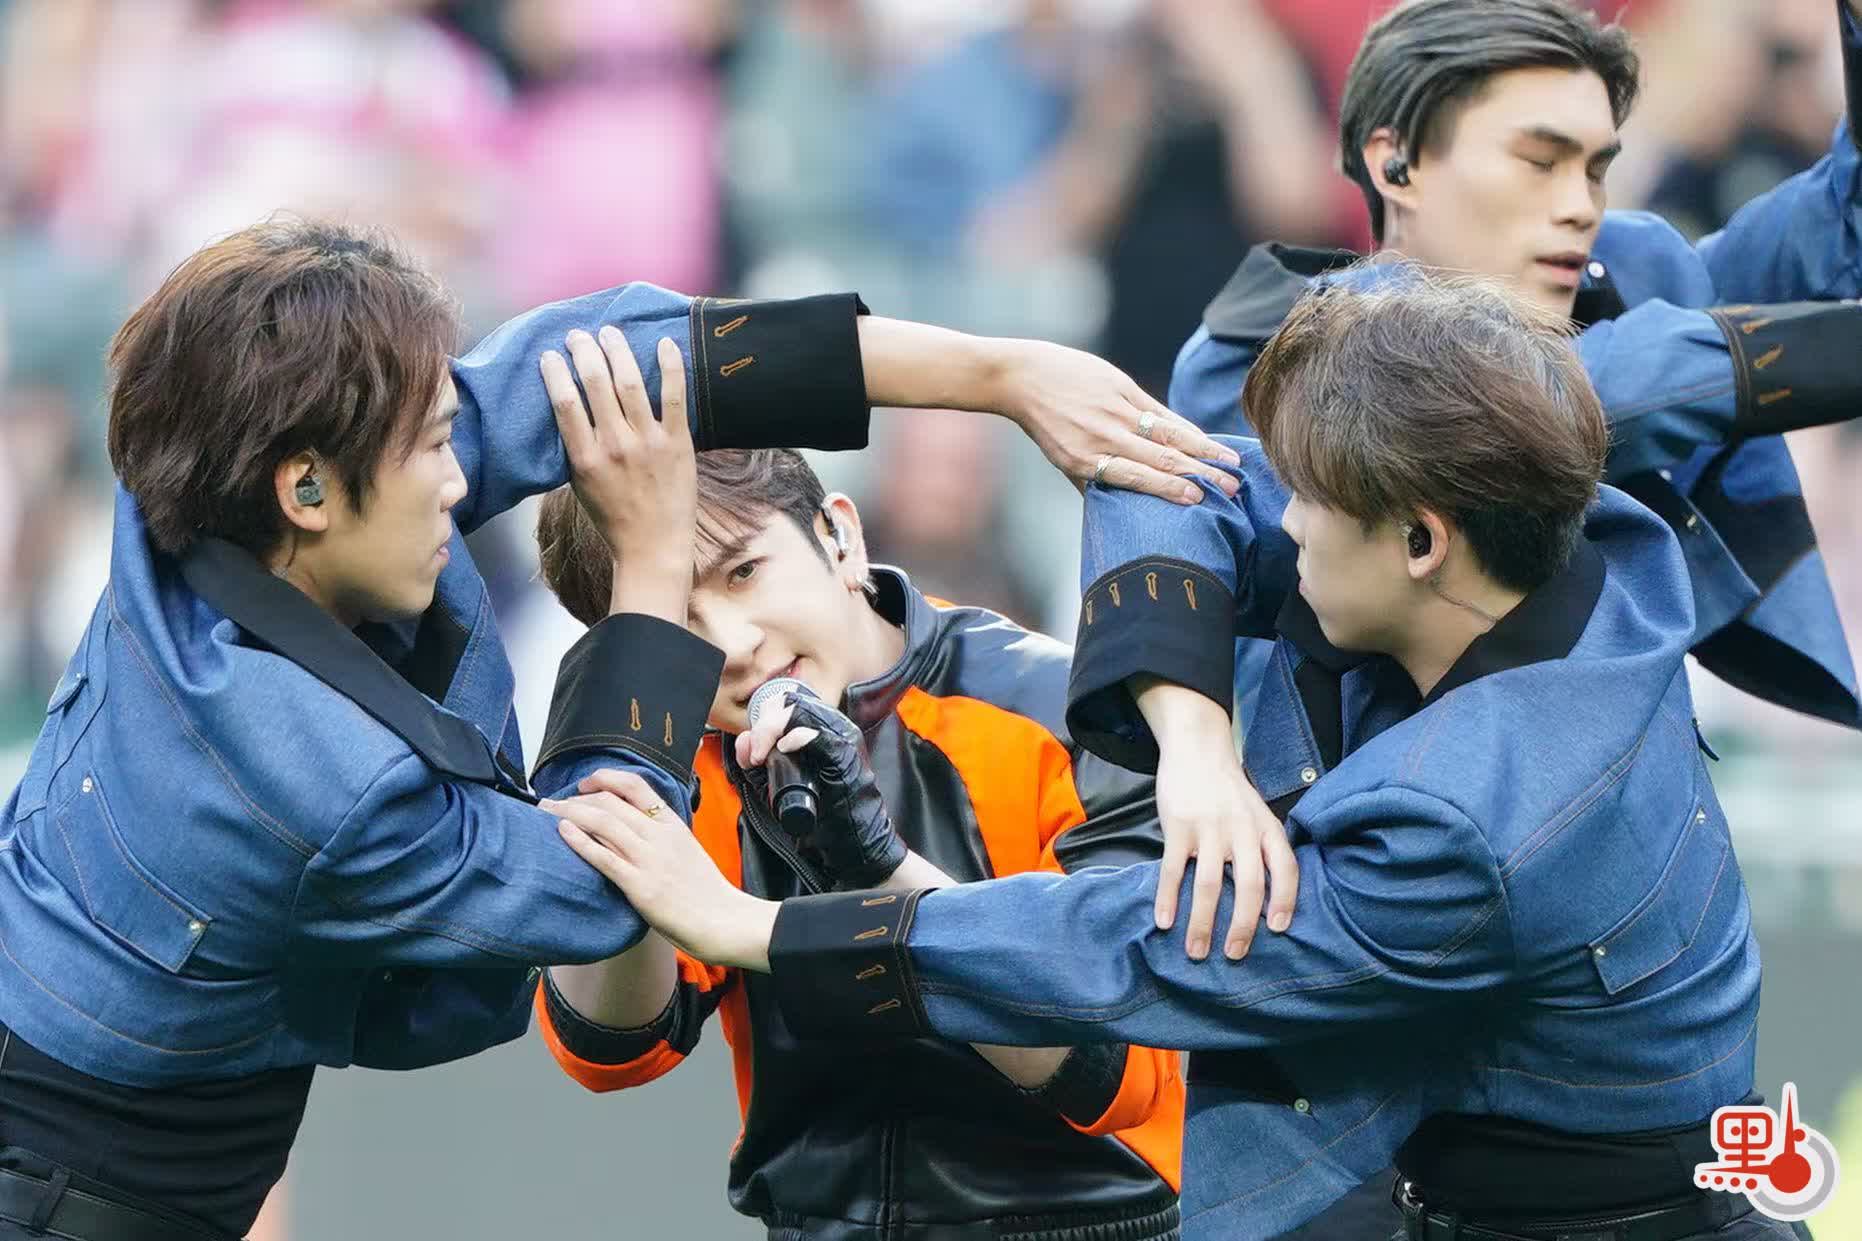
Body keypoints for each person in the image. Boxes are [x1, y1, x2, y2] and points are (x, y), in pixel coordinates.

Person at [0, 216, 1234, 1241]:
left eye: (743, 571)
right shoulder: (311, 773)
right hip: (73, 1188)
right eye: (432, 446)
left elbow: (597, 361)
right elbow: (598, 962)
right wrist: (644, 564)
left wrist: (1000, 377)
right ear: (308, 489)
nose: (461, 476)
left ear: (841, 533)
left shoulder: (202, 500)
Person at [550, 271, 1801, 1241]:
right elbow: (1167, 481)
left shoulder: (1458, 820)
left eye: (739, 574)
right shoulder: (1572, 540)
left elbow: (1119, 1000)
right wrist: (1194, 740)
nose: (1275, 516)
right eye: (670, 613)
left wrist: (787, 910)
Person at [528, 445, 1186, 1240]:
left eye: (743, 572)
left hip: (1093, 1220)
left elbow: (1117, 1073)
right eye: (675, 621)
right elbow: (608, 1049)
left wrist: (882, 867)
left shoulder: (1073, 710)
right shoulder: (689, 755)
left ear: (839, 536)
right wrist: (624, 775)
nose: (732, 644)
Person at [1164, 0, 1862, 735]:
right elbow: (1539, 393)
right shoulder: (1259, 353)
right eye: (1540, 162)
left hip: (1623, 786)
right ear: (1395, 163)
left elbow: (1835, 223)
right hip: (1370, 797)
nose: (1580, 206)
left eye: (1596, 170)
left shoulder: (1626, 275)